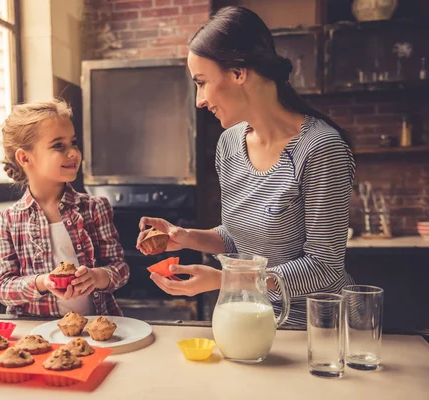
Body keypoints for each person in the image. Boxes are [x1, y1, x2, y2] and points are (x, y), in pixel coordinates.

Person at [136, 6, 355, 325]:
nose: (199, 100)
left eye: (202, 82)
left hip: (318, 332)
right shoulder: (229, 144)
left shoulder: (320, 148)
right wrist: (186, 236)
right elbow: (237, 237)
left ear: (239, 72)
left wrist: (226, 281)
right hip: (255, 320)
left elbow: (324, 266)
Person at [0, 99, 129, 317]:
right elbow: (2, 288)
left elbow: (120, 270)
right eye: (58, 146)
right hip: (36, 337)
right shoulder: (7, 220)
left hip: (94, 331)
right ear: (24, 157)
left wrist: (97, 276)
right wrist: (43, 282)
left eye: (73, 142)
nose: (73, 152)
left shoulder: (95, 208)